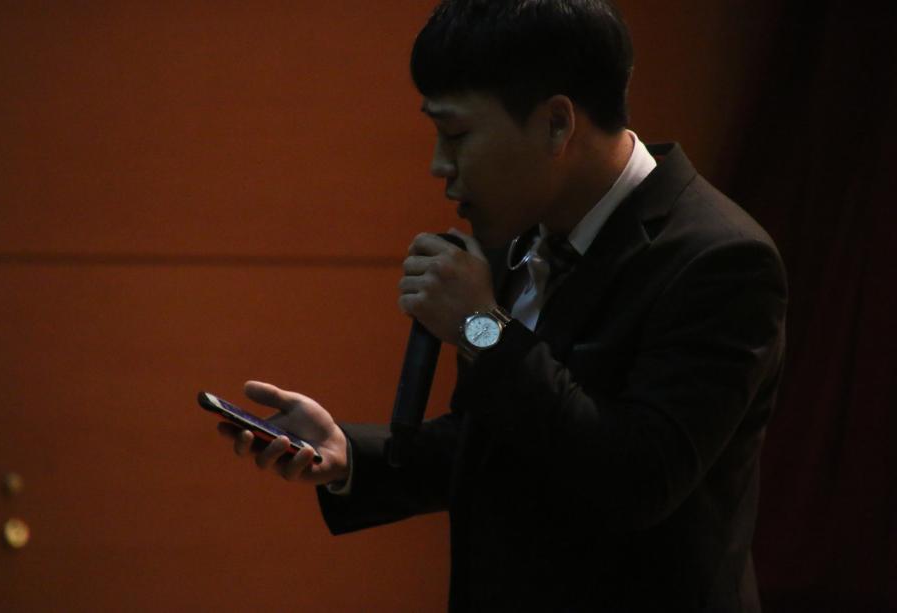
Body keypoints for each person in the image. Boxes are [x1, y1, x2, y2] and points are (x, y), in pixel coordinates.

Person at [217, 1, 787, 611]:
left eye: (457, 135)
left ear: (557, 124)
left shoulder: (720, 259)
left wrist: (478, 326)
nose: (439, 165)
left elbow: (636, 480)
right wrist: (349, 455)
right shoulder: (523, 230)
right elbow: (503, 442)